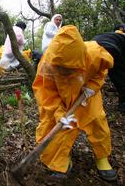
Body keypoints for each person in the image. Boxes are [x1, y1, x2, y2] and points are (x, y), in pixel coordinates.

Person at [33, 25, 117, 181]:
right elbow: (45, 93)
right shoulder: (47, 64)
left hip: (87, 96)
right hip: (60, 100)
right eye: (60, 68)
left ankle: (102, 158)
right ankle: (61, 162)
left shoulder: (94, 53)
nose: (63, 72)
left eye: (68, 69)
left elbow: (102, 71)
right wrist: (58, 113)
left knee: (97, 122)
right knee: (56, 127)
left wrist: (92, 86)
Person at [92, 24, 125, 115]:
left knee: (90, 77)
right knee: (123, 78)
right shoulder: (124, 38)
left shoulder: (108, 35)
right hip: (109, 49)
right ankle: (124, 106)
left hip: (90, 47)